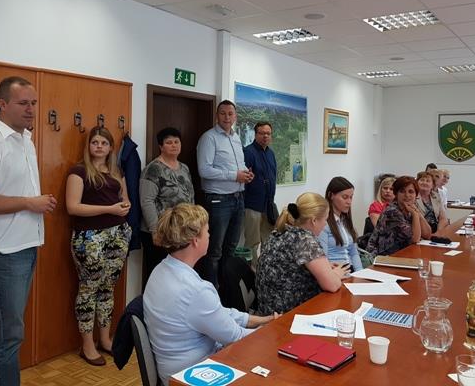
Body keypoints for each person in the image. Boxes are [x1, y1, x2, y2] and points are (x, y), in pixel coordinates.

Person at [0, 76, 57, 386]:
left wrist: (33, 204)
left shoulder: (25, 140)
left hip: (24, 247)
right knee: (8, 337)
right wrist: (29, 202)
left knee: (0, 333)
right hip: (1, 252)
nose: (31, 109)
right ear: (2, 105)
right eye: (23, 103)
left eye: (33, 103)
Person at [143, 203, 277, 385]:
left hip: (172, 368)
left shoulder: (161, 270)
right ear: (195, 241)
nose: (209, 235)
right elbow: (235, 337)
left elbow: (217, 313)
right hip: (193, 374)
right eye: (207, 231)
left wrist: (262, 320)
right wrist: (272, 331)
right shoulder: (195, 291)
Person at [66, 127, 132, 366]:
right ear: (89, 146)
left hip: (118, 234)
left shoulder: (116, 171)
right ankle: (87, 345)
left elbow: (125, 199)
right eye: (95, 142)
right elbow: (73, 207)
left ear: (110, 147)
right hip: (89, 238)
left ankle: (105, 339)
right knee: (89, 289)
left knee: (107, 288)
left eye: (104, 143)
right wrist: (109, 209)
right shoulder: (79, 172)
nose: (99, 147)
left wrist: (124, 206)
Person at [256, 193, 348, 315]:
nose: (326, 224)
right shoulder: (304, 240)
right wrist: (336, 274)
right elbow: (332, 285)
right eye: (325, 219)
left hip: (268, 308)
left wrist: (325, 268)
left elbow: (291, 267)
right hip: (288, 314)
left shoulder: (281, 231)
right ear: (314, 220)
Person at [196, 100, 253, 286]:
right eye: (223, 113)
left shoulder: (236, 138)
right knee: (214, 251)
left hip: (238, 198)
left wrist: (245, 174)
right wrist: (234, 175)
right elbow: (204, 170)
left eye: (230, 113)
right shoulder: (209, 138)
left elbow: (238, 165)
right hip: (218, 201)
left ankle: (228, 291)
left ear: (235, 116)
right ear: (217, 115)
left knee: (231, 249)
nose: (227, 117)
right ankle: (212, 292)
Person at [140, 127, 195, 288]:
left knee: (177, 276)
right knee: (158, 276)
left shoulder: (184, 168)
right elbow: (146, 201)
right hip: (160, 231)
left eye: (176, 142)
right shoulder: (153, 169)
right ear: (161, 146)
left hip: (181, 230)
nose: (174, 145)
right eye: (169, 142)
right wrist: (155, 231)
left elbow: (190, 196)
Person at [366, 176, 432, 256]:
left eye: (411, 192)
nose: (407, 195)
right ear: (396, 194)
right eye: (402, 191)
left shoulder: (410, 208)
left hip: (402, 253)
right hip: (383, 257)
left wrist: (417, 213)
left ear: (416, 194)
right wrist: (415, 214)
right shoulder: (392, 211)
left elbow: (427, 234)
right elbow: (415, 239)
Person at [243, 121, 277, 268]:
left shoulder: (271, 153)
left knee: (268, 241)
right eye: (262, 133)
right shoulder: (248, 152)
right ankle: (250, 273)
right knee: (252, 242)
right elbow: (244, 180)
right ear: (255, 134)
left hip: (268, 206)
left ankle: (265, 271)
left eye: (268, 133)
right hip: (253, 206)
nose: (265, 136)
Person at [318, 177, 363, 272]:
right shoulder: (323, 224)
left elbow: (354, 253)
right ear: (331, 195)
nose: (349, 202)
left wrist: (360, 273)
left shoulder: (345, 221)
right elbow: (323, 259)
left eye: (351, 197)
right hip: (336, 272)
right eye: (345, 197)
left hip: (350, 270)